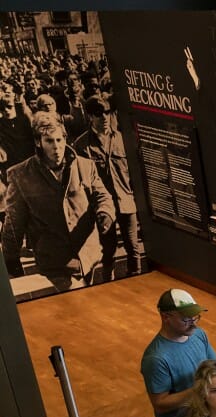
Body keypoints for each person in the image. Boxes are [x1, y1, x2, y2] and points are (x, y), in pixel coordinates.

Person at [1, 110, 114, 290]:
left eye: (59, 140)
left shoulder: (85, 165)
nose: (56, 147)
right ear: (38, 142)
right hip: (55, 259)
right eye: (49, 141)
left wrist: (105, 213)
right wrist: (10, 259)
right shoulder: (20, 175)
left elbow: (102, 195)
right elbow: (13, 223)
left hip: (87, 253)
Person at [73, 94, 142, 282]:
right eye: (98, 114)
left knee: (133, 248)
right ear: (90, 117)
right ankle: (108, 282)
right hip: (102, 208)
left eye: (107, 112)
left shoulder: (122, 139)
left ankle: (136, 280)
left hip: (126, 201)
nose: (104, 117)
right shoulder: (81, 145)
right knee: (108, 249)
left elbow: (135, 172)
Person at [140, 289, 216, 417]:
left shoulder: (199, 335)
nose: (193, 324)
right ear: (165, 317)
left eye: (195, 318)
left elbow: (214, 366)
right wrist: (199, 390)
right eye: (186, 319)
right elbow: (160, 404)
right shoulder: (156, 358)